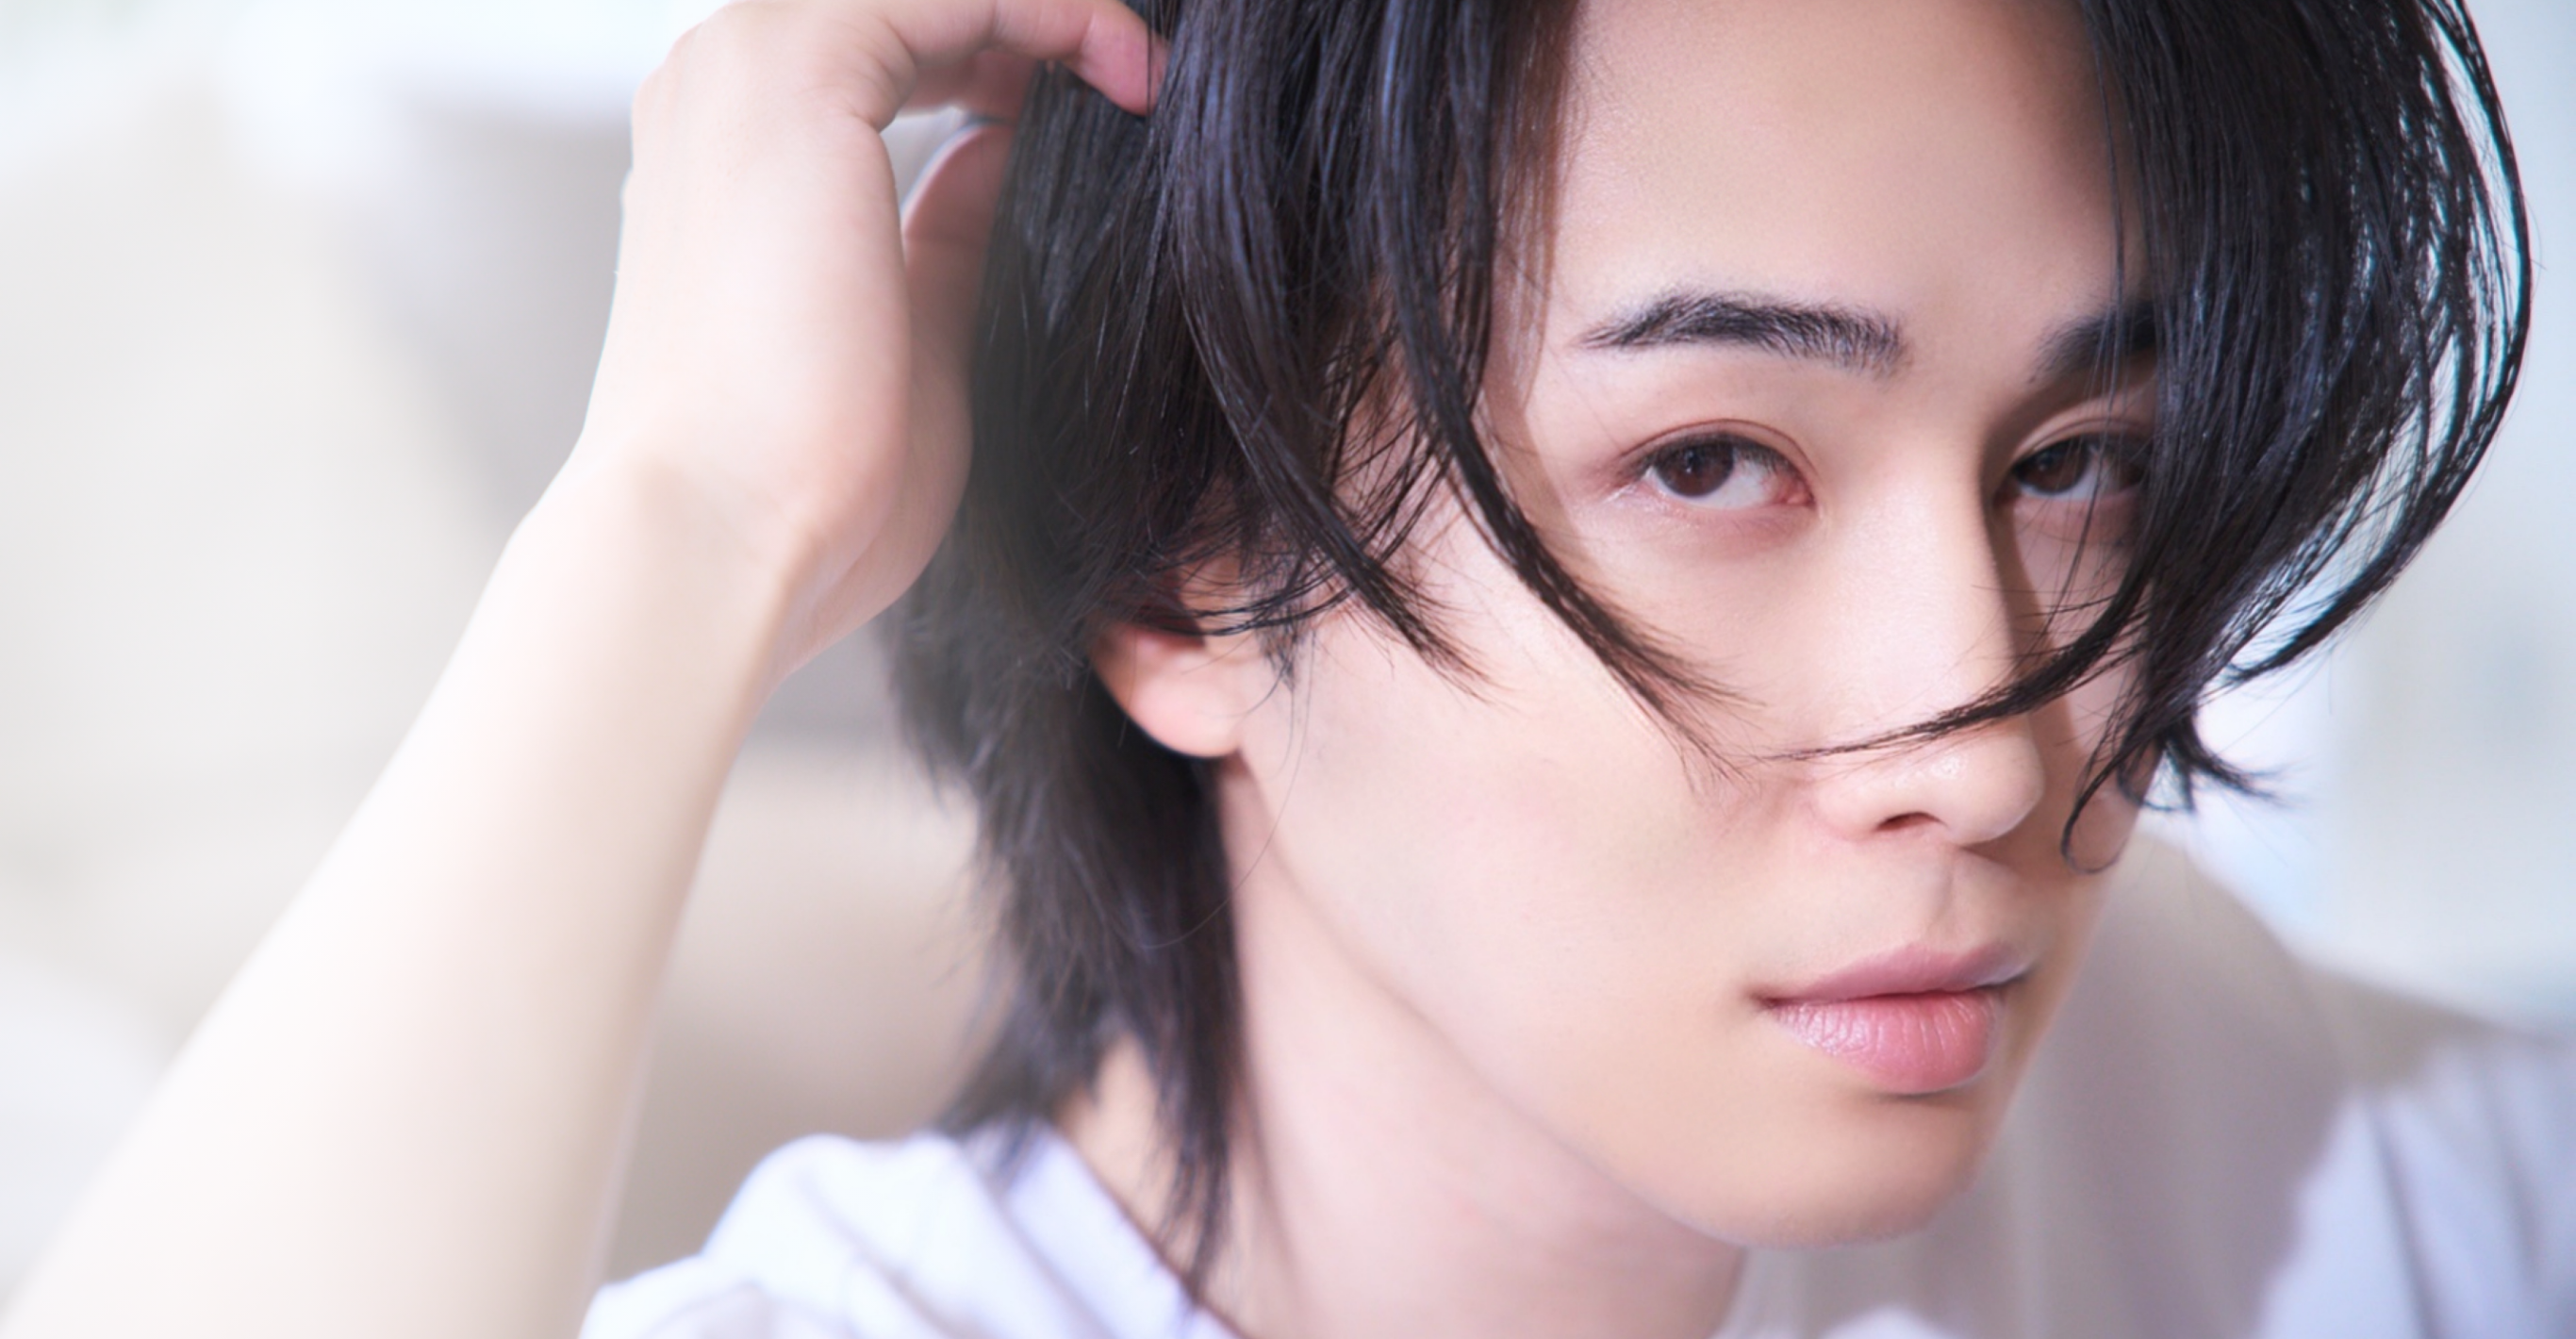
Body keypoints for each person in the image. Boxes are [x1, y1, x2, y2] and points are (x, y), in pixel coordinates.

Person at [3, 0, 2569, 1336]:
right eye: (1711, 461)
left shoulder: (2219, 1123)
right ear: (1184, 558)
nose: (1990, 739)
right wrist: (680, 521)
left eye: (2076, 459)